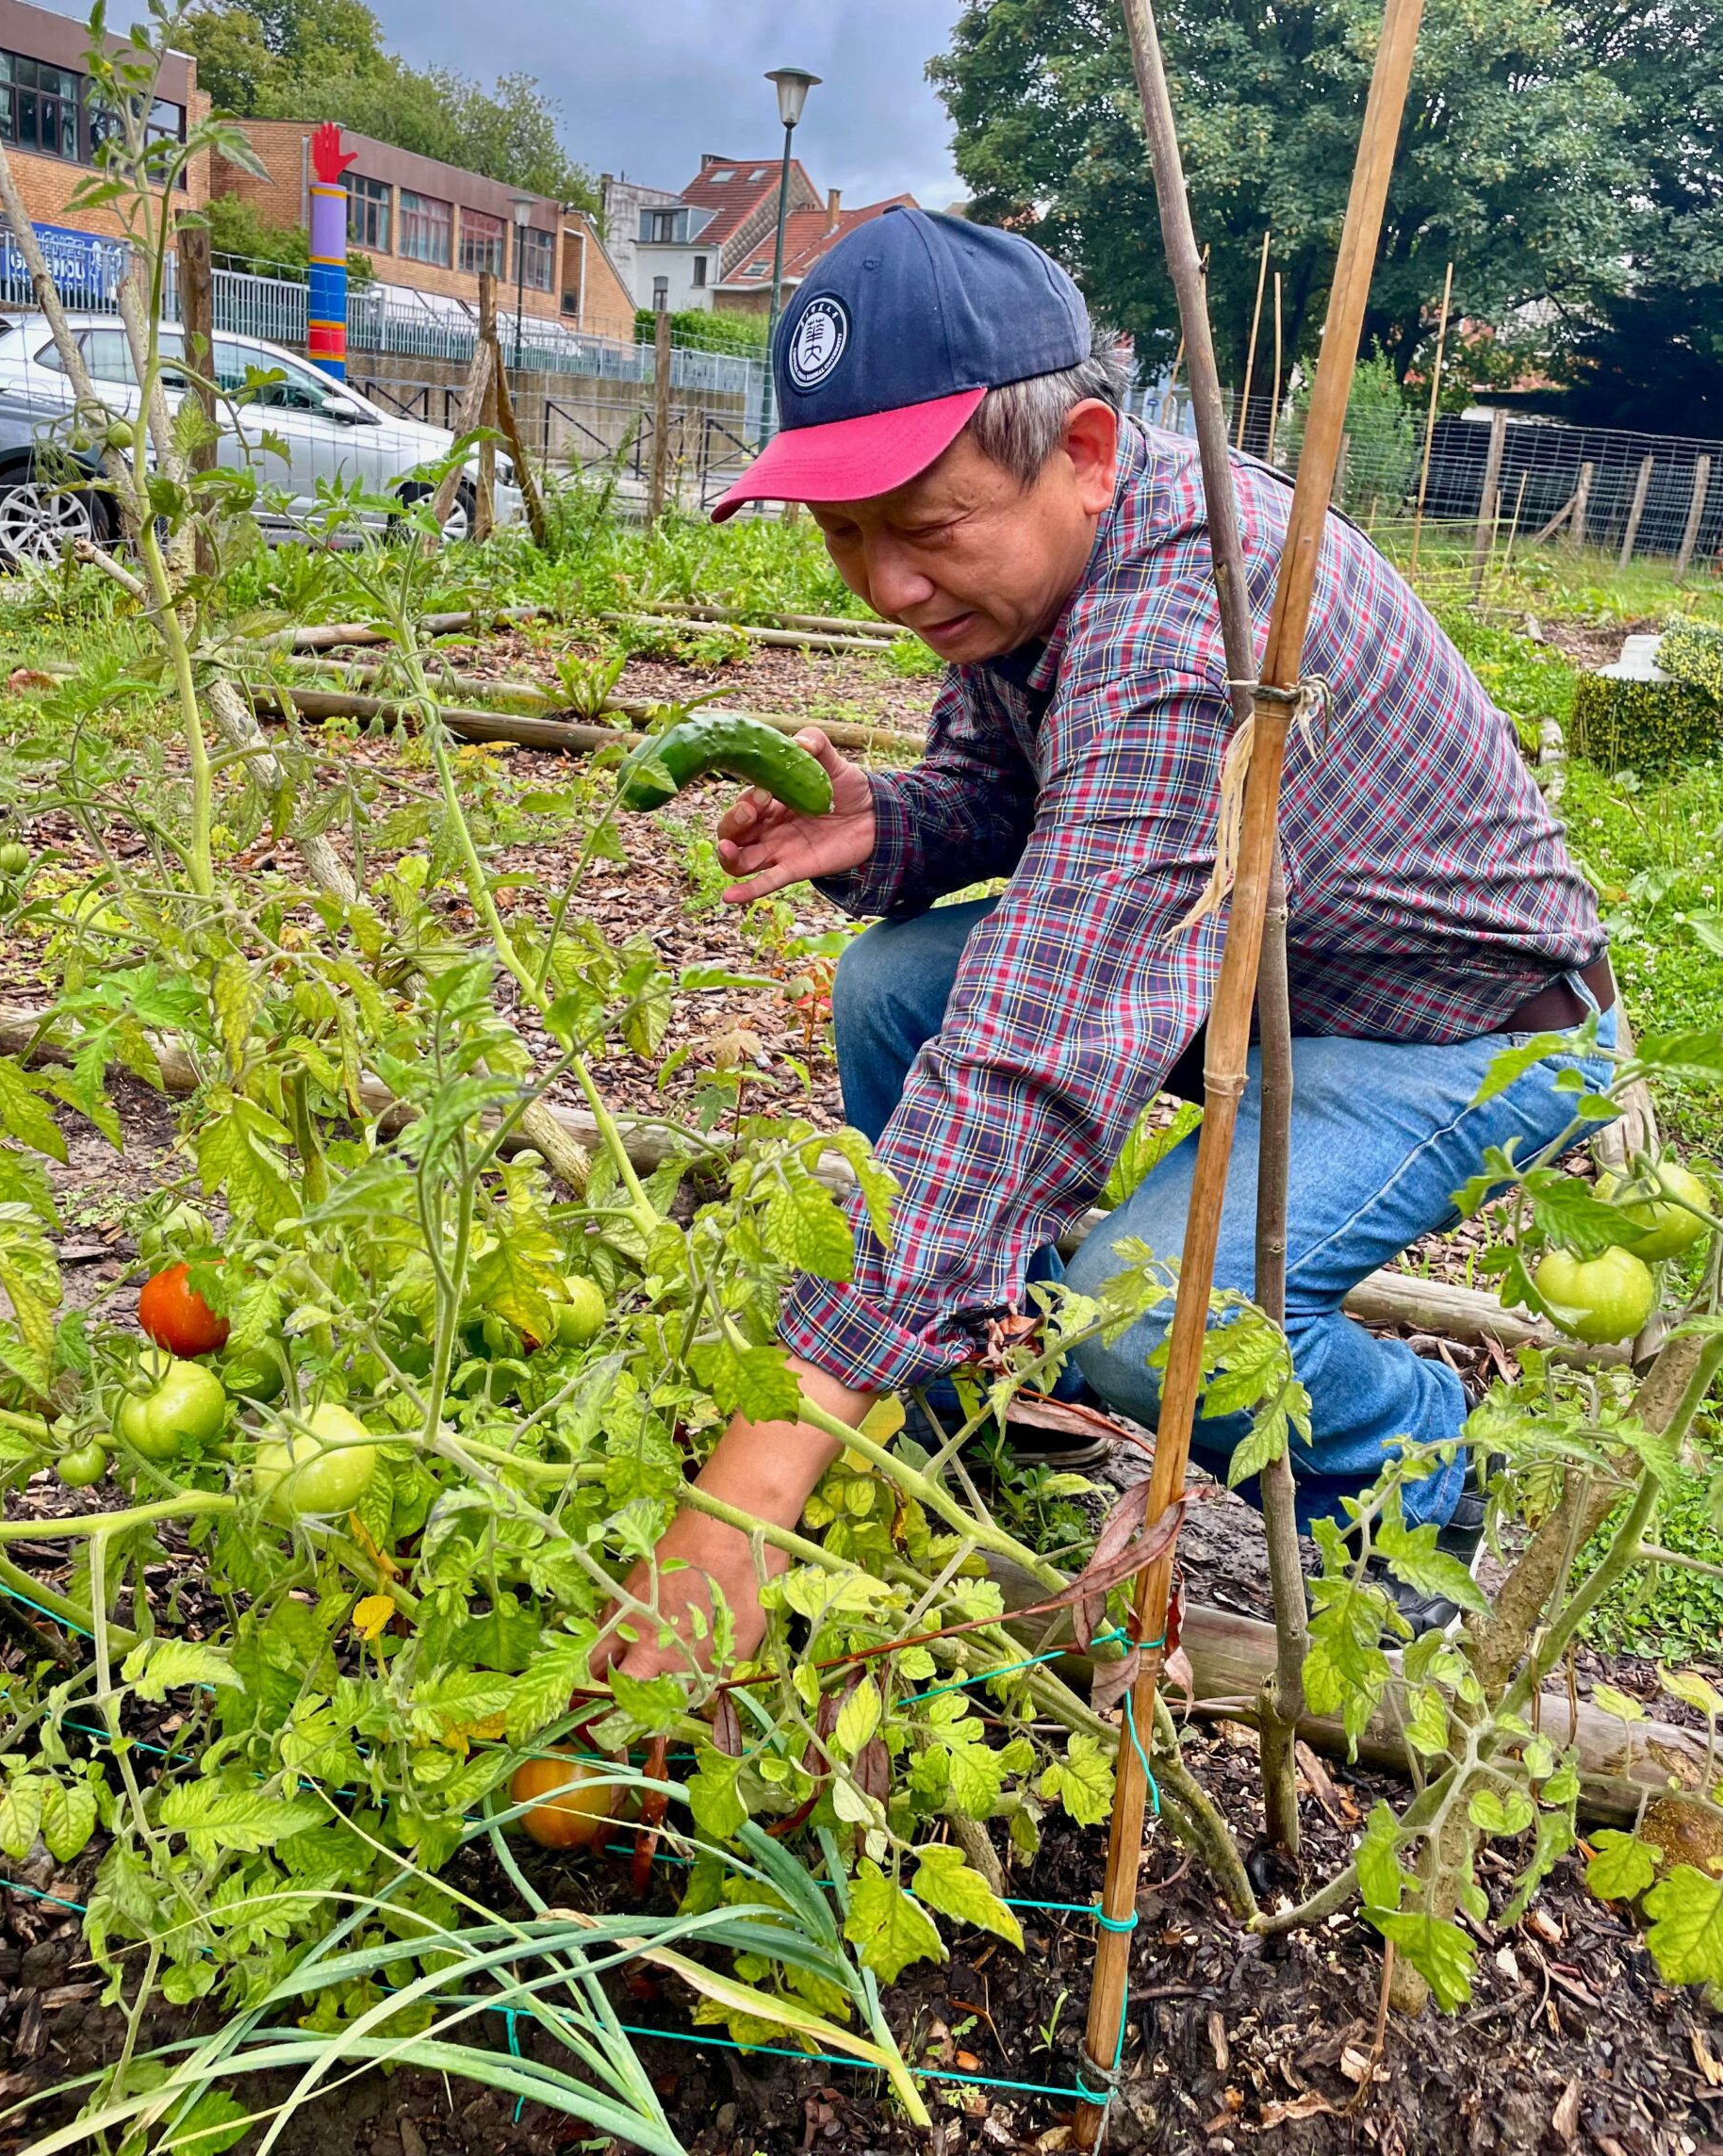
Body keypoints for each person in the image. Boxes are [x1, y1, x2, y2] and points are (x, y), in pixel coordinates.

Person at [609, 208, 1613, 1675]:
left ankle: (1416, 1457)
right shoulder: (1054, 564)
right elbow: (1012, 796)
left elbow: (1032, 1055)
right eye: (844, 536)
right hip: (1250, 963)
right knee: (895, 984)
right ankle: (951, 1382)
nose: (888, 586)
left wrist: (745, 1495)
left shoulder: (1198, 615)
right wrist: (880, 824)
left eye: (927, 529)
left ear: (1081, 452)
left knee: (1140, 1326)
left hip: (1458, 1026)